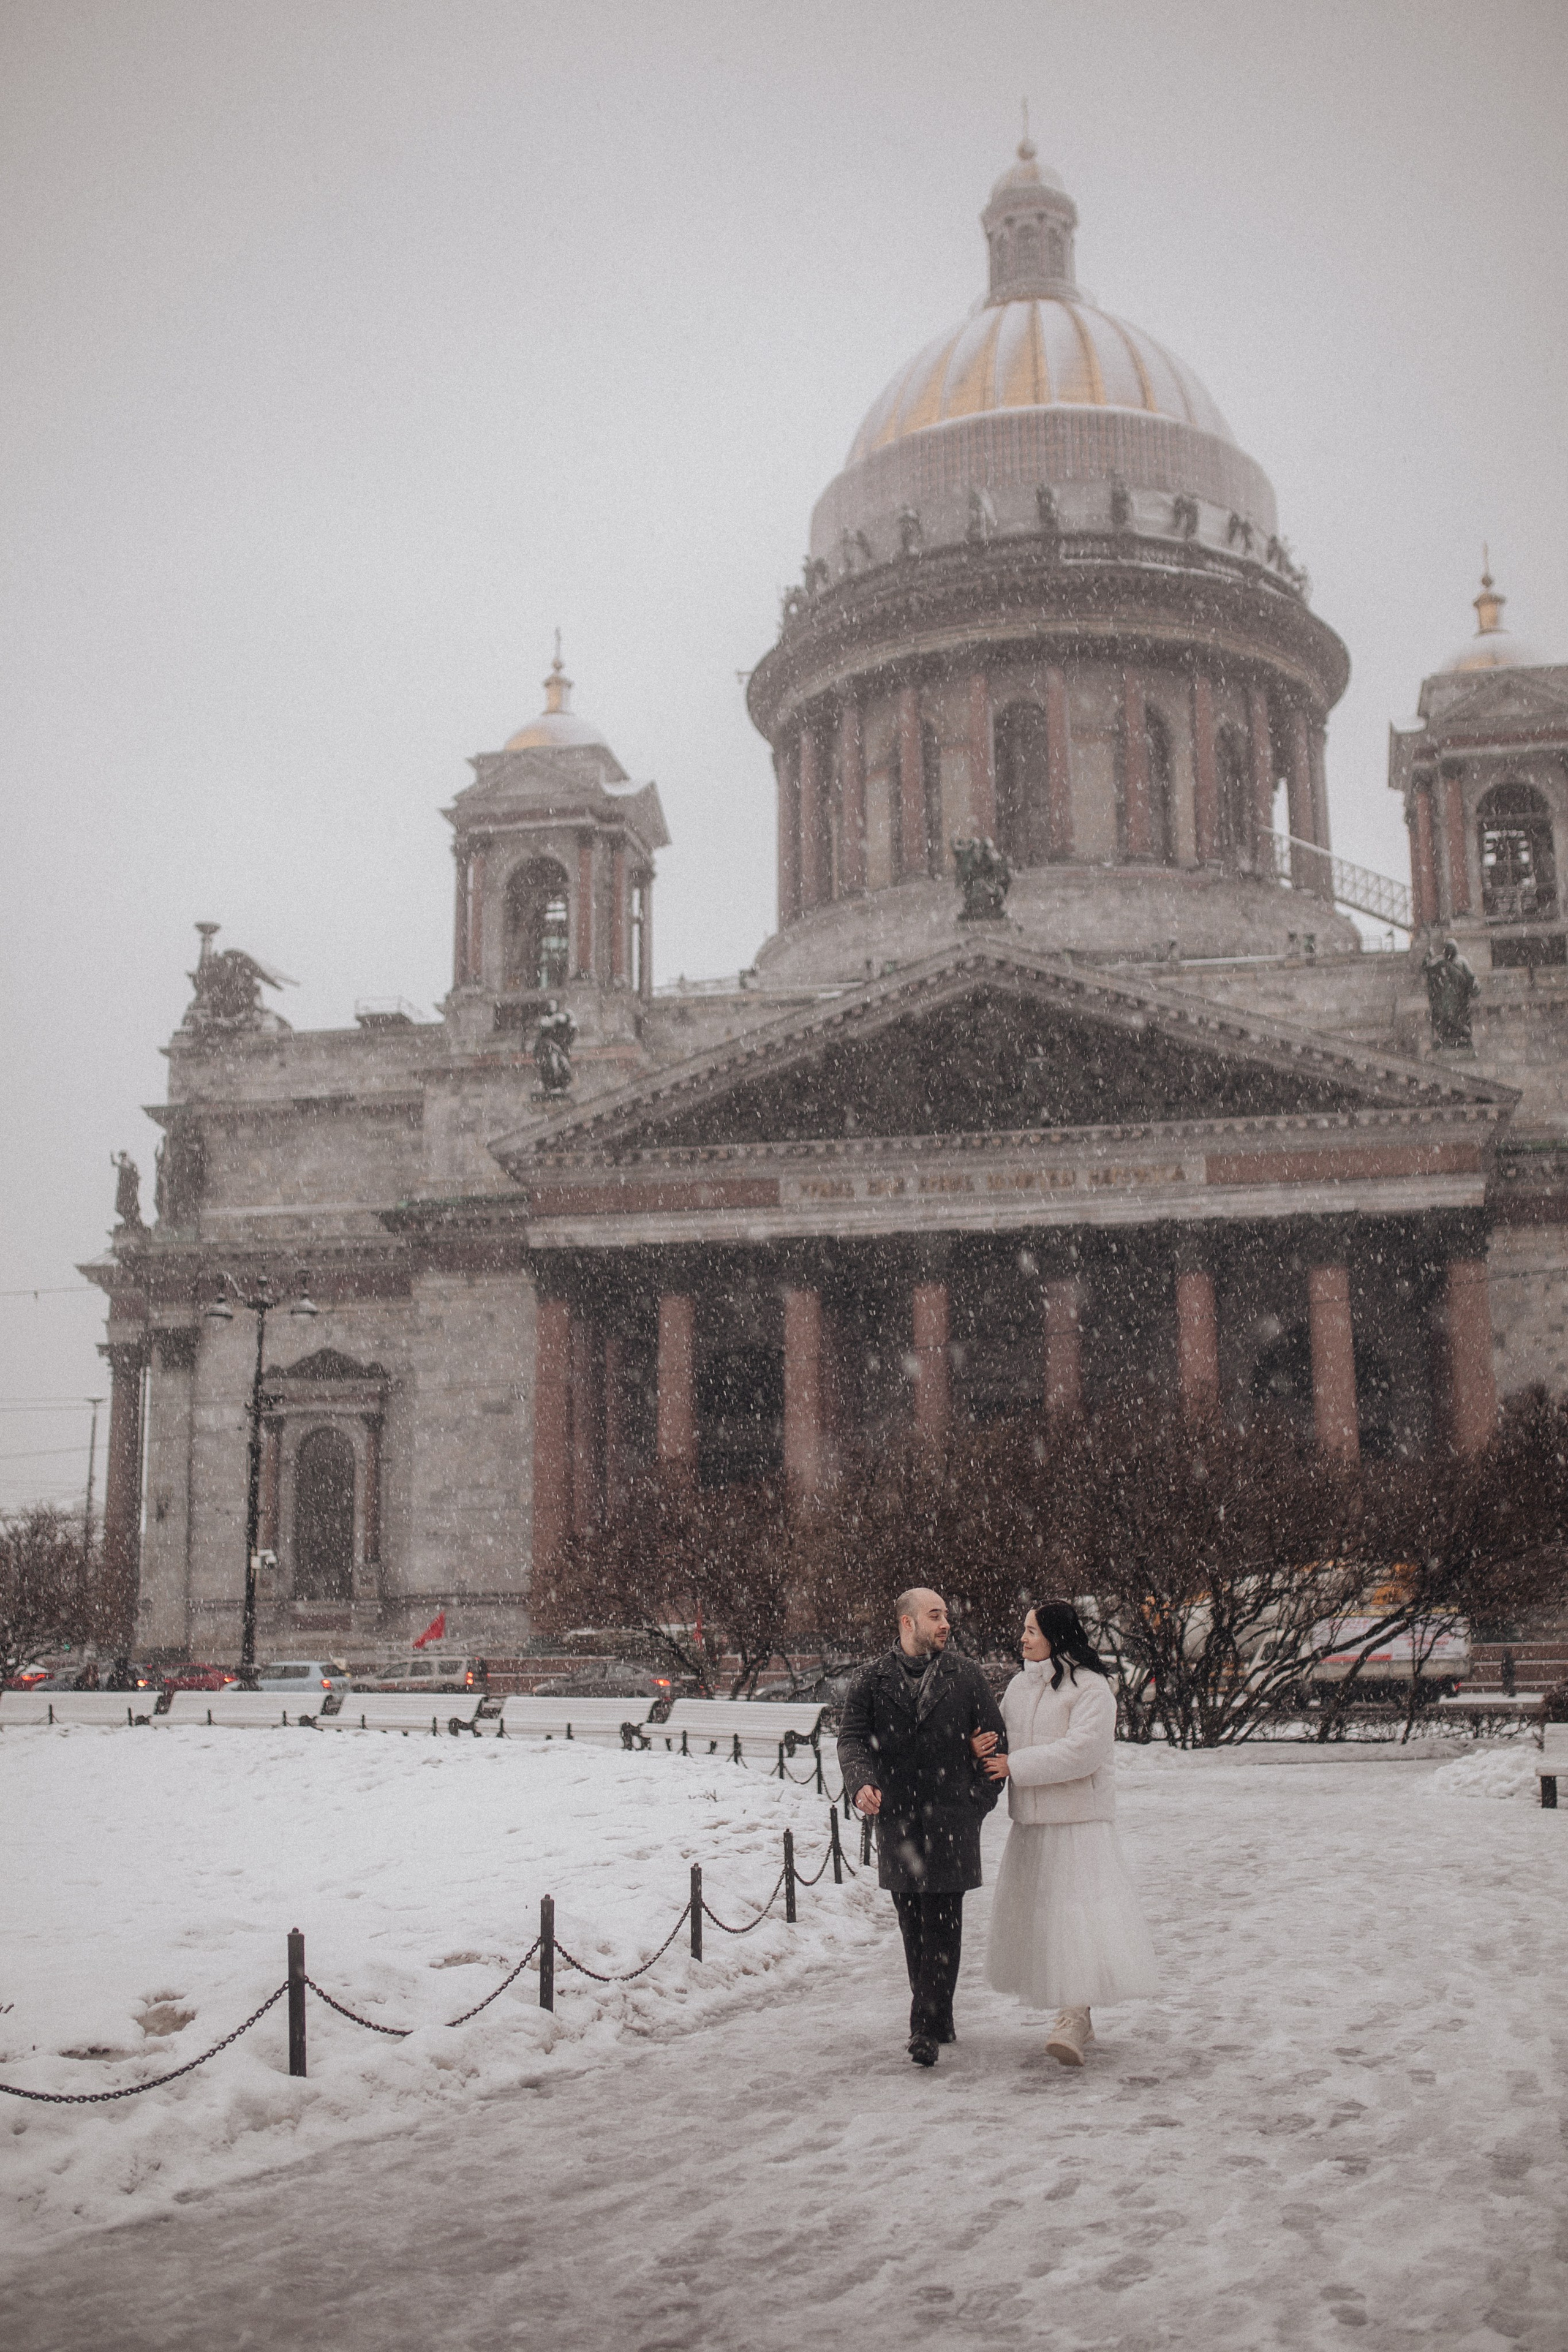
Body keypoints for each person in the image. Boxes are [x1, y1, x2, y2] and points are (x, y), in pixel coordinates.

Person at [974, 1599, 1158, 2066]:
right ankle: (1074, 2012)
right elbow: (1002, 1737)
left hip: (1078, 1826)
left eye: (1032, 1630)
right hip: (1033, 1827)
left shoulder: (1092, 1689)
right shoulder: (1019, 1687)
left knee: (1078, 1922)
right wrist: (979, 1746)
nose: (1023, 1638)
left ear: (1056, 1636)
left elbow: (1083, 1753)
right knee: (1044, 1920)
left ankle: (1074, 2015)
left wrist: (1014, 1764)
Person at [837, 1587, 1008, 2068]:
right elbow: (851, 1740)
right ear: (908, 1623)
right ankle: (940, 2017)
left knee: (942, 1923)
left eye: (947, 1616)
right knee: (912, 1924)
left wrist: (976, 1803)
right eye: (936, 1616)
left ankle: (923, 2028)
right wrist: (860, 1783)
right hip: (899, 1821)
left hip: (952, 1819)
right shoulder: (872, 1679)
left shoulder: (967, 1677)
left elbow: (997, 1745)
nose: (945, 1623)